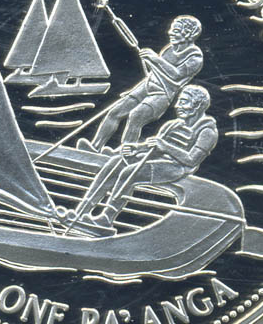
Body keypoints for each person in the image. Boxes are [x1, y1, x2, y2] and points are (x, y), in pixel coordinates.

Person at [70, 85, 218, 231]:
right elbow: (154, 147)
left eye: (184, 102)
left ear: (198, 106)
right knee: (116, 162)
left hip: (177, 167)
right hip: (159, 160)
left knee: (130, 172)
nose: (177, 106)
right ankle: (82, 211)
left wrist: (165, 146)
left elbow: (192, 160)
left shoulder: (207, 131)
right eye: (179, 101)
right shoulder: (173, 125)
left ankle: (106, 219)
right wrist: (136, 149)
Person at [77, 15, 204, 153]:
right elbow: (154, 74)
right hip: (146, 87)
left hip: (162, 94)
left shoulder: (195, 57)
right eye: (172, 29)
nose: (170, 32)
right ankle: (95, 147)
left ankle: (124, 154)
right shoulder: (169, 49)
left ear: (189, 34)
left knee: (136, 116)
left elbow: (176, 75)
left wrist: (155, 59)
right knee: (114, 112)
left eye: (176, 30)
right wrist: (135, 89)